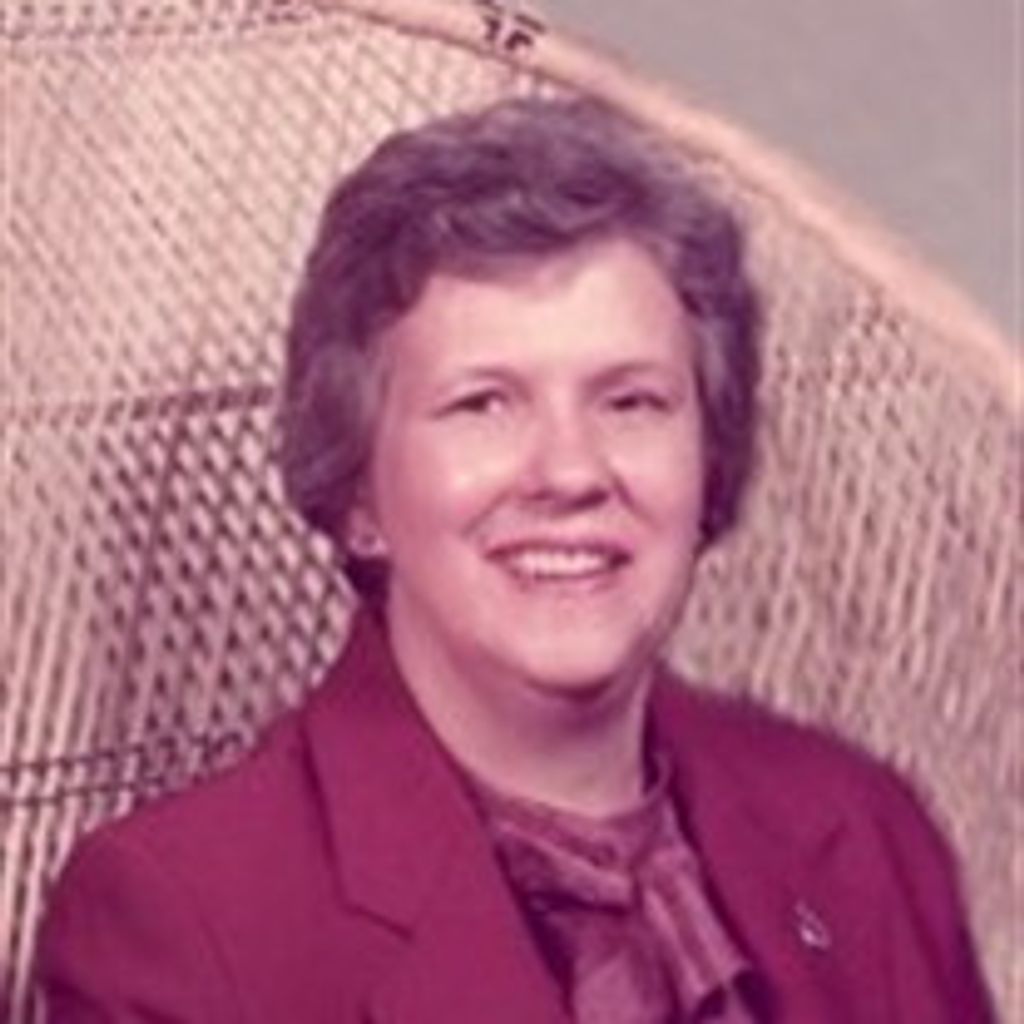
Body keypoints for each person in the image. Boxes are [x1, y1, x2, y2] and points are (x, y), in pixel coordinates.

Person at [37, 97, 992, 1023]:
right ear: (360, 491)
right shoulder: (184, 918)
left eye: (631, 401)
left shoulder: (861, 829)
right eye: (483, 404)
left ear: (708, 461)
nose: (571, 472)